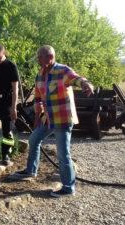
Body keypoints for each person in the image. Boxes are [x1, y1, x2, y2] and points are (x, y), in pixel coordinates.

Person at [12, 45, 94, 197]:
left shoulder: (62, 71)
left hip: (62, 118)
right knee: (34, 139)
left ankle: (68, 188)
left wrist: (85, 84)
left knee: (63, 153)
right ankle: (31, 171)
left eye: (40, 57)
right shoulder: (40, 74)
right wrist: (37, 116)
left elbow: (76, 78)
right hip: (48, 118)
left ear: (49, 57)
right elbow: (37, 96)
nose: (38, 59)